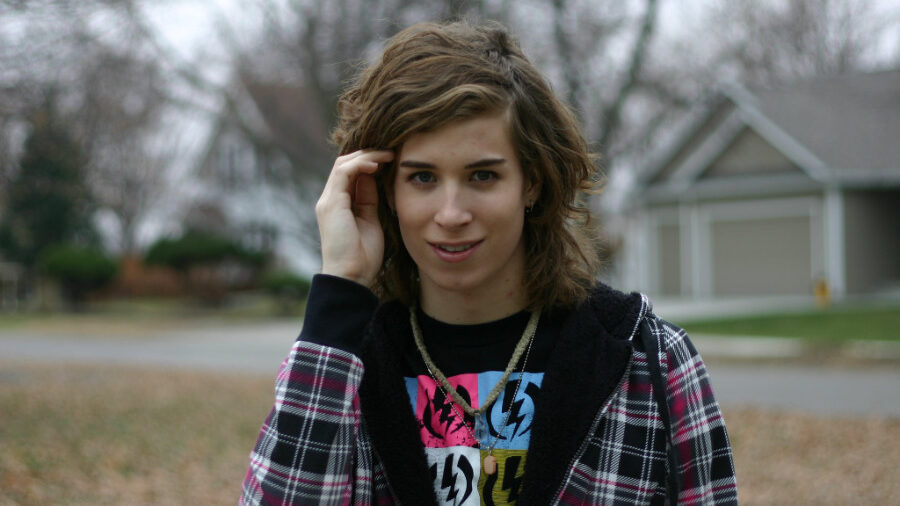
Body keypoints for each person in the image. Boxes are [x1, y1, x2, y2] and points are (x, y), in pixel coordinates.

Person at [240, 20, 737, 506]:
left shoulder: (650, 359)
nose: (451, 214)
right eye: (422, 178)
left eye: (482, 175)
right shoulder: (341, 362)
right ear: (384, 190)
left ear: (533, 182)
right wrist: (341, 289)